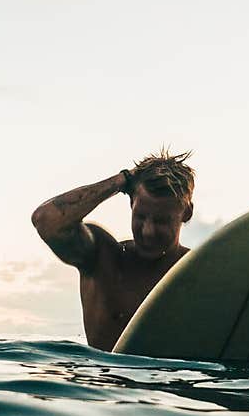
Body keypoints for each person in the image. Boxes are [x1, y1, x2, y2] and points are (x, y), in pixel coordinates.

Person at [31, 149, 195, 351]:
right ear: (131, 203)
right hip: (106, 380)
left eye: (162, 221)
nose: (148, 231)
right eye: (141, 217)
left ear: (186, 213)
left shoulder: (198, 270)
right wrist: (123, 180)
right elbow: (47, 219)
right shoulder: (103, 258)